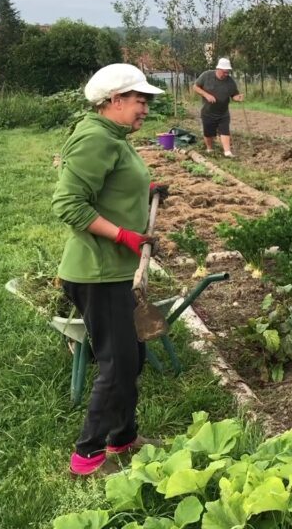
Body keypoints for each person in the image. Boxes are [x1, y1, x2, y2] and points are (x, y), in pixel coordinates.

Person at [52, 63, 169, 476]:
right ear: (114, 100)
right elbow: (67, 205)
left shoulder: (113, 135)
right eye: (140, 101)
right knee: (117, 365)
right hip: (98, 274)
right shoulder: (95, 139)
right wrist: (124, 236)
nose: (145, 110)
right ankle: (87, 457)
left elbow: (112, 187)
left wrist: (146, 192)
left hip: (119, 273)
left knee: (131, 359)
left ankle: (123, 438)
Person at [193, 57, 244, 158]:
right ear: (218, 69)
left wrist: (237, 98)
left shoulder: (230, 82)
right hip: (208, 111)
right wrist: (206, 95)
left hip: (223, 112)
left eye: (228, 72)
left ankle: (227, 152)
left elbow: (234, 95)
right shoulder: (206, 75)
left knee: (225, 130)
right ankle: (210, 149)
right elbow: (195, 87)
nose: (226, 74)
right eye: (224, 72)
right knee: (208, 132)